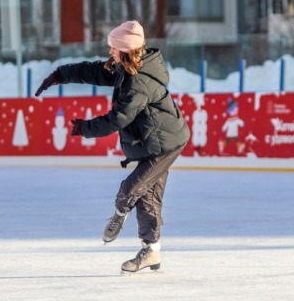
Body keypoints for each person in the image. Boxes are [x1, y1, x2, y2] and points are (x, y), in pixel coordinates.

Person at [35, 20, 190, 273]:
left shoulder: (138, 81)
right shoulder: (126, 69)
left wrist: (83, 128)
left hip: (166, 144)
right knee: (148, 198)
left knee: (131, 189)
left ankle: (119, 212)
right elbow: (95, 71)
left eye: (113, 47)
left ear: (127, 49)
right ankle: (151, 251)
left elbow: (119, 118)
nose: (110, 52)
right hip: (154, 141)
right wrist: (60, 75)